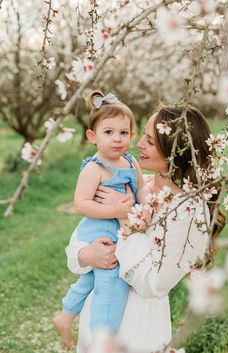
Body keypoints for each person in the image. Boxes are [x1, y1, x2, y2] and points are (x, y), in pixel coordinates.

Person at [65, 104, 225, 353]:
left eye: (149, 141)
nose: (137, 143)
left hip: (138, 327)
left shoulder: (189, 212)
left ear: (174, 150)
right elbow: (82, 237)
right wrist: (84, 255)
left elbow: (154, 284)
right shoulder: (133, 184)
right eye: (142, 135)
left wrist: (126, 222)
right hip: (96, 313)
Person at [54, 91, 147, 350]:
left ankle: (66, 314)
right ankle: (101, 341)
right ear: (92, 137)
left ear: (131, 135)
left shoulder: (130, 161)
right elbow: (81, 204)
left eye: (123, 132)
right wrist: (115, 210)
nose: (117, 139)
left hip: (119, 229)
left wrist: (150, 203)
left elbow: (141, 189)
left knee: (90, 279)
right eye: (108, 132)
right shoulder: (94, 168)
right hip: (99, 232)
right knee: (110, 287)